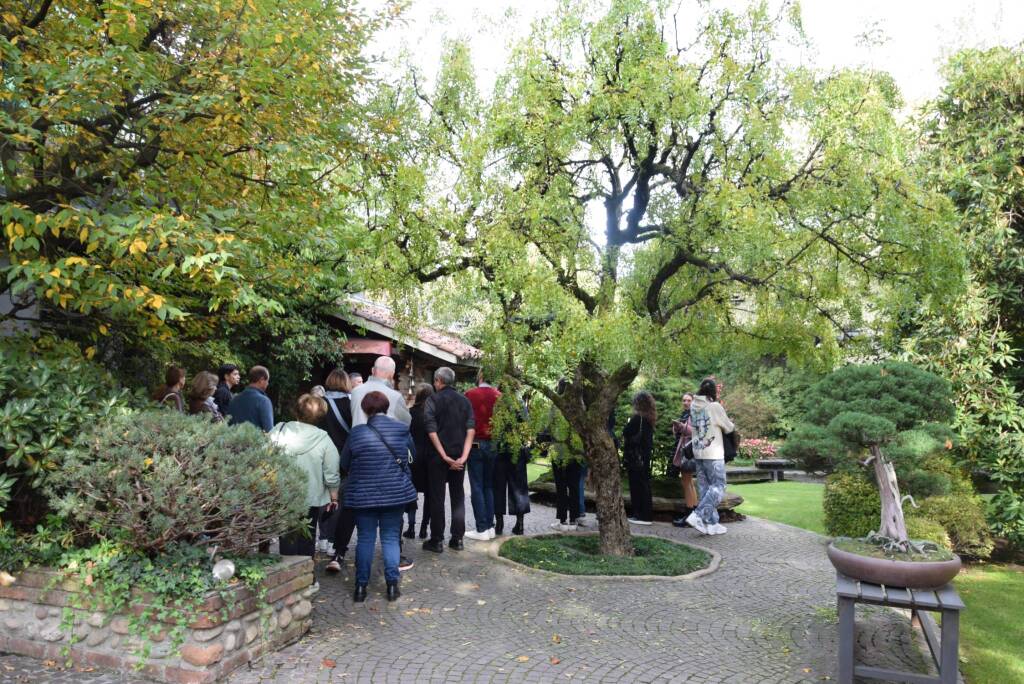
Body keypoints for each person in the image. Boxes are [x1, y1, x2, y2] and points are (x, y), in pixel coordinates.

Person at [340, 391, 417, 602]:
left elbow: (344, 464)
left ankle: (360, 588)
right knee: (391, 538)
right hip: (395, 494)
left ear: (365, 409)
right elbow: (412, 457)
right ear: (386, 407)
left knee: (365, 538)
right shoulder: (402, 430)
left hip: (363, 495)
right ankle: (392, 586)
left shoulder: (356, 433)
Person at [269, 394, 340, 558]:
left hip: (282, 494)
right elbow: (332, 472)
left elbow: (263, 454)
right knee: (307, 536)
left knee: (286, 536)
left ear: (297, 411)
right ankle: (306, 577)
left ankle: (287, 574)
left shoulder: (280, 429)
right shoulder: (324, 438)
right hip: (311, 496)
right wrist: (334, 497)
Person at [422, 366, 475, 552]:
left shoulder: (432, 400)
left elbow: (431, 430)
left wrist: (443, 455)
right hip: (459, 455)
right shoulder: (465, 402)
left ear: (438, 380)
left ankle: (437, 540)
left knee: (437, 497)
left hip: (438, 457)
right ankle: (457, 539)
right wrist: (463, 457)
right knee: (458, 496)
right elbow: (471, 430)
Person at [685, 378, 735, 535]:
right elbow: (729, 427)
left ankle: (712, 523)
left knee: (705, 488)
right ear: (714, 392)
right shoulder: (714, 406)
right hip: (713, 452)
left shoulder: (693, 405)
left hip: (698, 453)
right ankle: (698, 515)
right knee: (719, 486)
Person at [321, 369, 358, 574]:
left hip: (323, 454)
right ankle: (335, 542)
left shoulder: (320, 402)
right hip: (345, 457)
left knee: (323, 496)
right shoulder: (353, 403)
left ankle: (323, 538)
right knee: (340, 499)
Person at [464, 371, 501, 541]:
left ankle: (482, 527)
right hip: (493, 444)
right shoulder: (499, 396)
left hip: (476, 443)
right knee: (489, 486)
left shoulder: (470, 394)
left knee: (477, 486)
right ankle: (490, 526)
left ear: (480, 377)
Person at [492, 392, 531, 536]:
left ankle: (499, 523)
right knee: (519, 487)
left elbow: (494, 427)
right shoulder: (520, 403)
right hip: (516, 449)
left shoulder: (499, 403)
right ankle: (520, 524)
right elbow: (526, 427)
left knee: (498, 487)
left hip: (500, 450)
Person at [623, 391, 657, 525]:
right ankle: (645, 514)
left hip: (636, 457)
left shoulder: (638, 419)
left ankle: (641, 515)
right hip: (644, 456)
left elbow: (626, 432)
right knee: (644, 485)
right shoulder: (649, 418)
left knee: (637, 485)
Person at [349, 357, 411, 426]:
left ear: (372, 370)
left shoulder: (355, 391)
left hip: (357, 436)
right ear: (392, 374)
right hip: (383, 436)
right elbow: (406, 422)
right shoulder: (396, 396)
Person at [407, 383, 434, 540]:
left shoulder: (410, 413)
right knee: (430, 495)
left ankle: (411, 527)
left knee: (411, 494)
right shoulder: (434, 414)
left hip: (413, 457)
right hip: (430, 458)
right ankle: (424, 528)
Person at [672, 393, 699, 527]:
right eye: (684, 400)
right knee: (689, 483)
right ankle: (694, 513)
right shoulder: (686, 414)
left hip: (687, 453)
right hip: (686, 451)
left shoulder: (693, 414)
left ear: (693, 401)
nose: (686, 402)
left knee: (687, 483)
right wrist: (677, 426)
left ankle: (689, 516)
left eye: (688, 400)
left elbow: (695, 432)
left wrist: (681, 426)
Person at [226, 366, 274, 432]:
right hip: (255, 441)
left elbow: (227, 426)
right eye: (267, 381)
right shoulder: (264, 401)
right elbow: (270, 431)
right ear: (261, 380)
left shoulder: (234, 399)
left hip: (232, 441)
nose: (267, 384)